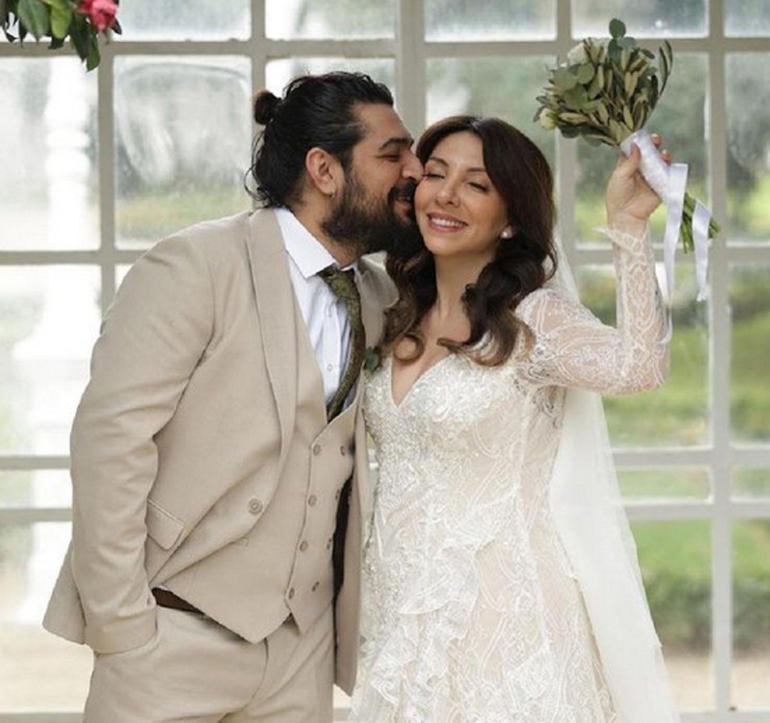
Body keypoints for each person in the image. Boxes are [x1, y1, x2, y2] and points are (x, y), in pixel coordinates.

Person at [42, 72, 421, 722]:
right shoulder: (195, 266)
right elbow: (110, 441)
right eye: (393, 154)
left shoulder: (382, 299)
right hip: (169, 636)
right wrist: (124, 628)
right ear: (324, 170)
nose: (414, 171)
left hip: (301, 653)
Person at [350, 116, 681, 722]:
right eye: (436, 175)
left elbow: (639, 367)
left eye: (476, 185)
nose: (447, 195)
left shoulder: (534, 319)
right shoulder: (394, 311)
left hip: (509, 627)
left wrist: (629, 228)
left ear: (510, 218)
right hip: (404, 617)